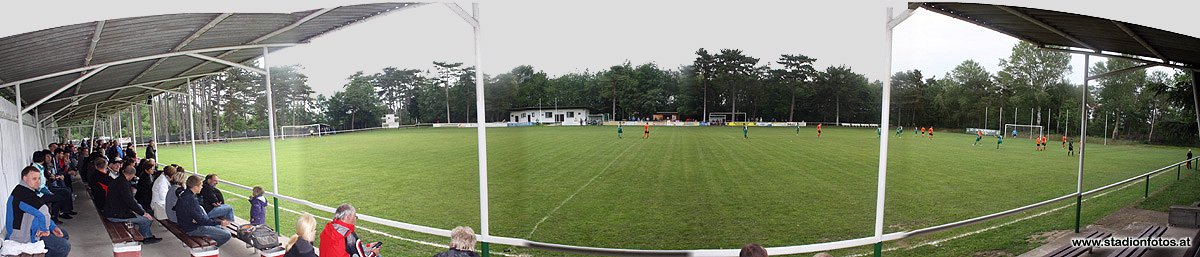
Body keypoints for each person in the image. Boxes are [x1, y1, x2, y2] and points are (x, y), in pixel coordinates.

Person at [6, 166, 71, 257]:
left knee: (64, 234)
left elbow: (40, 213)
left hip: (32, 228)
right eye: (34, 179)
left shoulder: (27, 190)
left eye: (39, 178)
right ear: (25, 178)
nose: (38, 181)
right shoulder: (22, 195)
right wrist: (45, 230)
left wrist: (52, 227)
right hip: (22, 236)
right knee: (64, 246)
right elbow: (43, 212)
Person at [103, 167, 161, 244]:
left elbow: (130, 201)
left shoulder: (118, 180)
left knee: (140, 208)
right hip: (115, 215)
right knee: (146, 220)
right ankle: (146, 238)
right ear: (132, 175)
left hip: (112, 211)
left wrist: (140, 211)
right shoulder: (123, 184)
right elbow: (130, 202)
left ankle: (143, 233)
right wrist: (143, 213)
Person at [177, 175, 232, 246]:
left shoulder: (185, 194)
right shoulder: (191, 199)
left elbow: (189, 213)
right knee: (227, 234)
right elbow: (202, 221)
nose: (202, 187)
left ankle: (212, 236)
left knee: (217, 227)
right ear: (195, 187)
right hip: (192, 228)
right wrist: (220, 222)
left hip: (187, 224)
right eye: (201, 185)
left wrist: (193, 218)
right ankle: (211, 249)